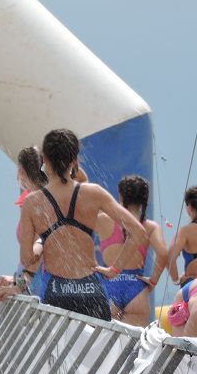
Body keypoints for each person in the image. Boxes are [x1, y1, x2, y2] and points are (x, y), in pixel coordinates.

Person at [17, 128, 145, 320]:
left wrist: (41, 245)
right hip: (90, 290)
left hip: (57, 291)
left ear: (44, 160)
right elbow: (138, 232)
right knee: (98, 350)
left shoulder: (33, 202)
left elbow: (27, 259)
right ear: (74, 161)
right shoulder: (93, 193)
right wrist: (115, 269)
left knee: (59, 350)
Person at [93, 175, 169, 327]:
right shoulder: (150, 227)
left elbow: (79, 237)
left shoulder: (102, 219)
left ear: (120, 195)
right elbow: (163, 253)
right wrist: (153, 280)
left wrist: (95, 267)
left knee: (105, 347)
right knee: (134, 348)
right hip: (136, 288)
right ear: (144, 199)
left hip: (109, 285)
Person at [0, 146, 48, 302]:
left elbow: (38, 253)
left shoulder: (36, 202)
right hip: (32, 281)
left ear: (22, 171)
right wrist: (15, 279)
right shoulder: (41, 196)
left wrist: (18, 286)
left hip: (38, 286)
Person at [168, 186, 197, 287]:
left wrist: (176, 279)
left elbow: (170, 256)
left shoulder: (186, 231)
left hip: (192, 285)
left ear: (189, 207)